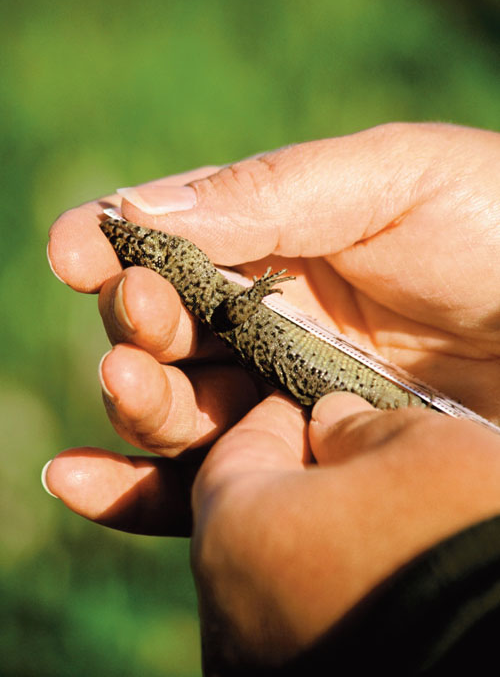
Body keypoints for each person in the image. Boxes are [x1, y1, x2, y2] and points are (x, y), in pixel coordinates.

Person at [45, 122, 500, 675]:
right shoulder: (218, 304)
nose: (166, 249)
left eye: (161, 250)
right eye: (157, 253)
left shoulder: (218, 300)